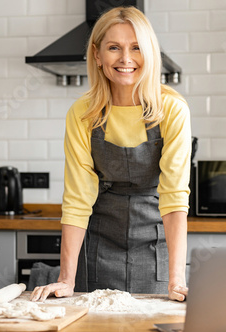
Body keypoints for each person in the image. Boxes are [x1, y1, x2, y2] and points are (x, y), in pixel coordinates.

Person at [30, 6, 191, 303]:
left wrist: (177, 278)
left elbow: (174, 197)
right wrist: (66, 279)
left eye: (136, 48)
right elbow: (77, 198)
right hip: (98, 248)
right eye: (114, 47)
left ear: (150, 53)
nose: (126, 59)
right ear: (97, 55)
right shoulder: (83, 114)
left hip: (156, 248)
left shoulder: (172, 110)